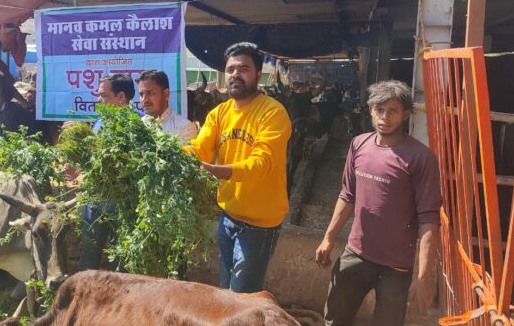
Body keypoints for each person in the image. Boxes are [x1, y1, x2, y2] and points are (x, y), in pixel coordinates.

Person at [315, 80, 442, 326]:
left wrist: (425, 275)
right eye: (379, 109)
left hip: (396, 266)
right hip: (356, 254)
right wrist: (328, 238)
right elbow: (347, 195)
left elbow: (429, 218)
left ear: (405, 115)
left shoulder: (420, 158)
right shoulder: (358, 144)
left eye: (393, 110)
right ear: (371, 110)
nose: (385, 117)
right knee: (334, 319)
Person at [185, 42, 291, 293]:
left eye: (243, 68)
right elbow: (200, 148)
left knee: (243, 294)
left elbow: (262, 162)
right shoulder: (219, 113)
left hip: (260, 223)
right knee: (225, 289)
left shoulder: (273, 113)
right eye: (231, 69)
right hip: (228, 216)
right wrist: (169, 153)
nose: (235, 74)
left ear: (257, 74)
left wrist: (219, 170)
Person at [78, 74, 139, 271]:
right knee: (89, 253)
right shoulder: (100, 122)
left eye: (103, 95)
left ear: (120, 97)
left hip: (123, 207)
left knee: (119, 261)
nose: (98, 100)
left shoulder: (138, 127)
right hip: (95, 204)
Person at [138, 70, 197, 143]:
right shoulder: (137, 126)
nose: (144, 100)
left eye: (150, 93)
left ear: (166, 94)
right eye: (141, 95)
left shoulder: (185, 127)